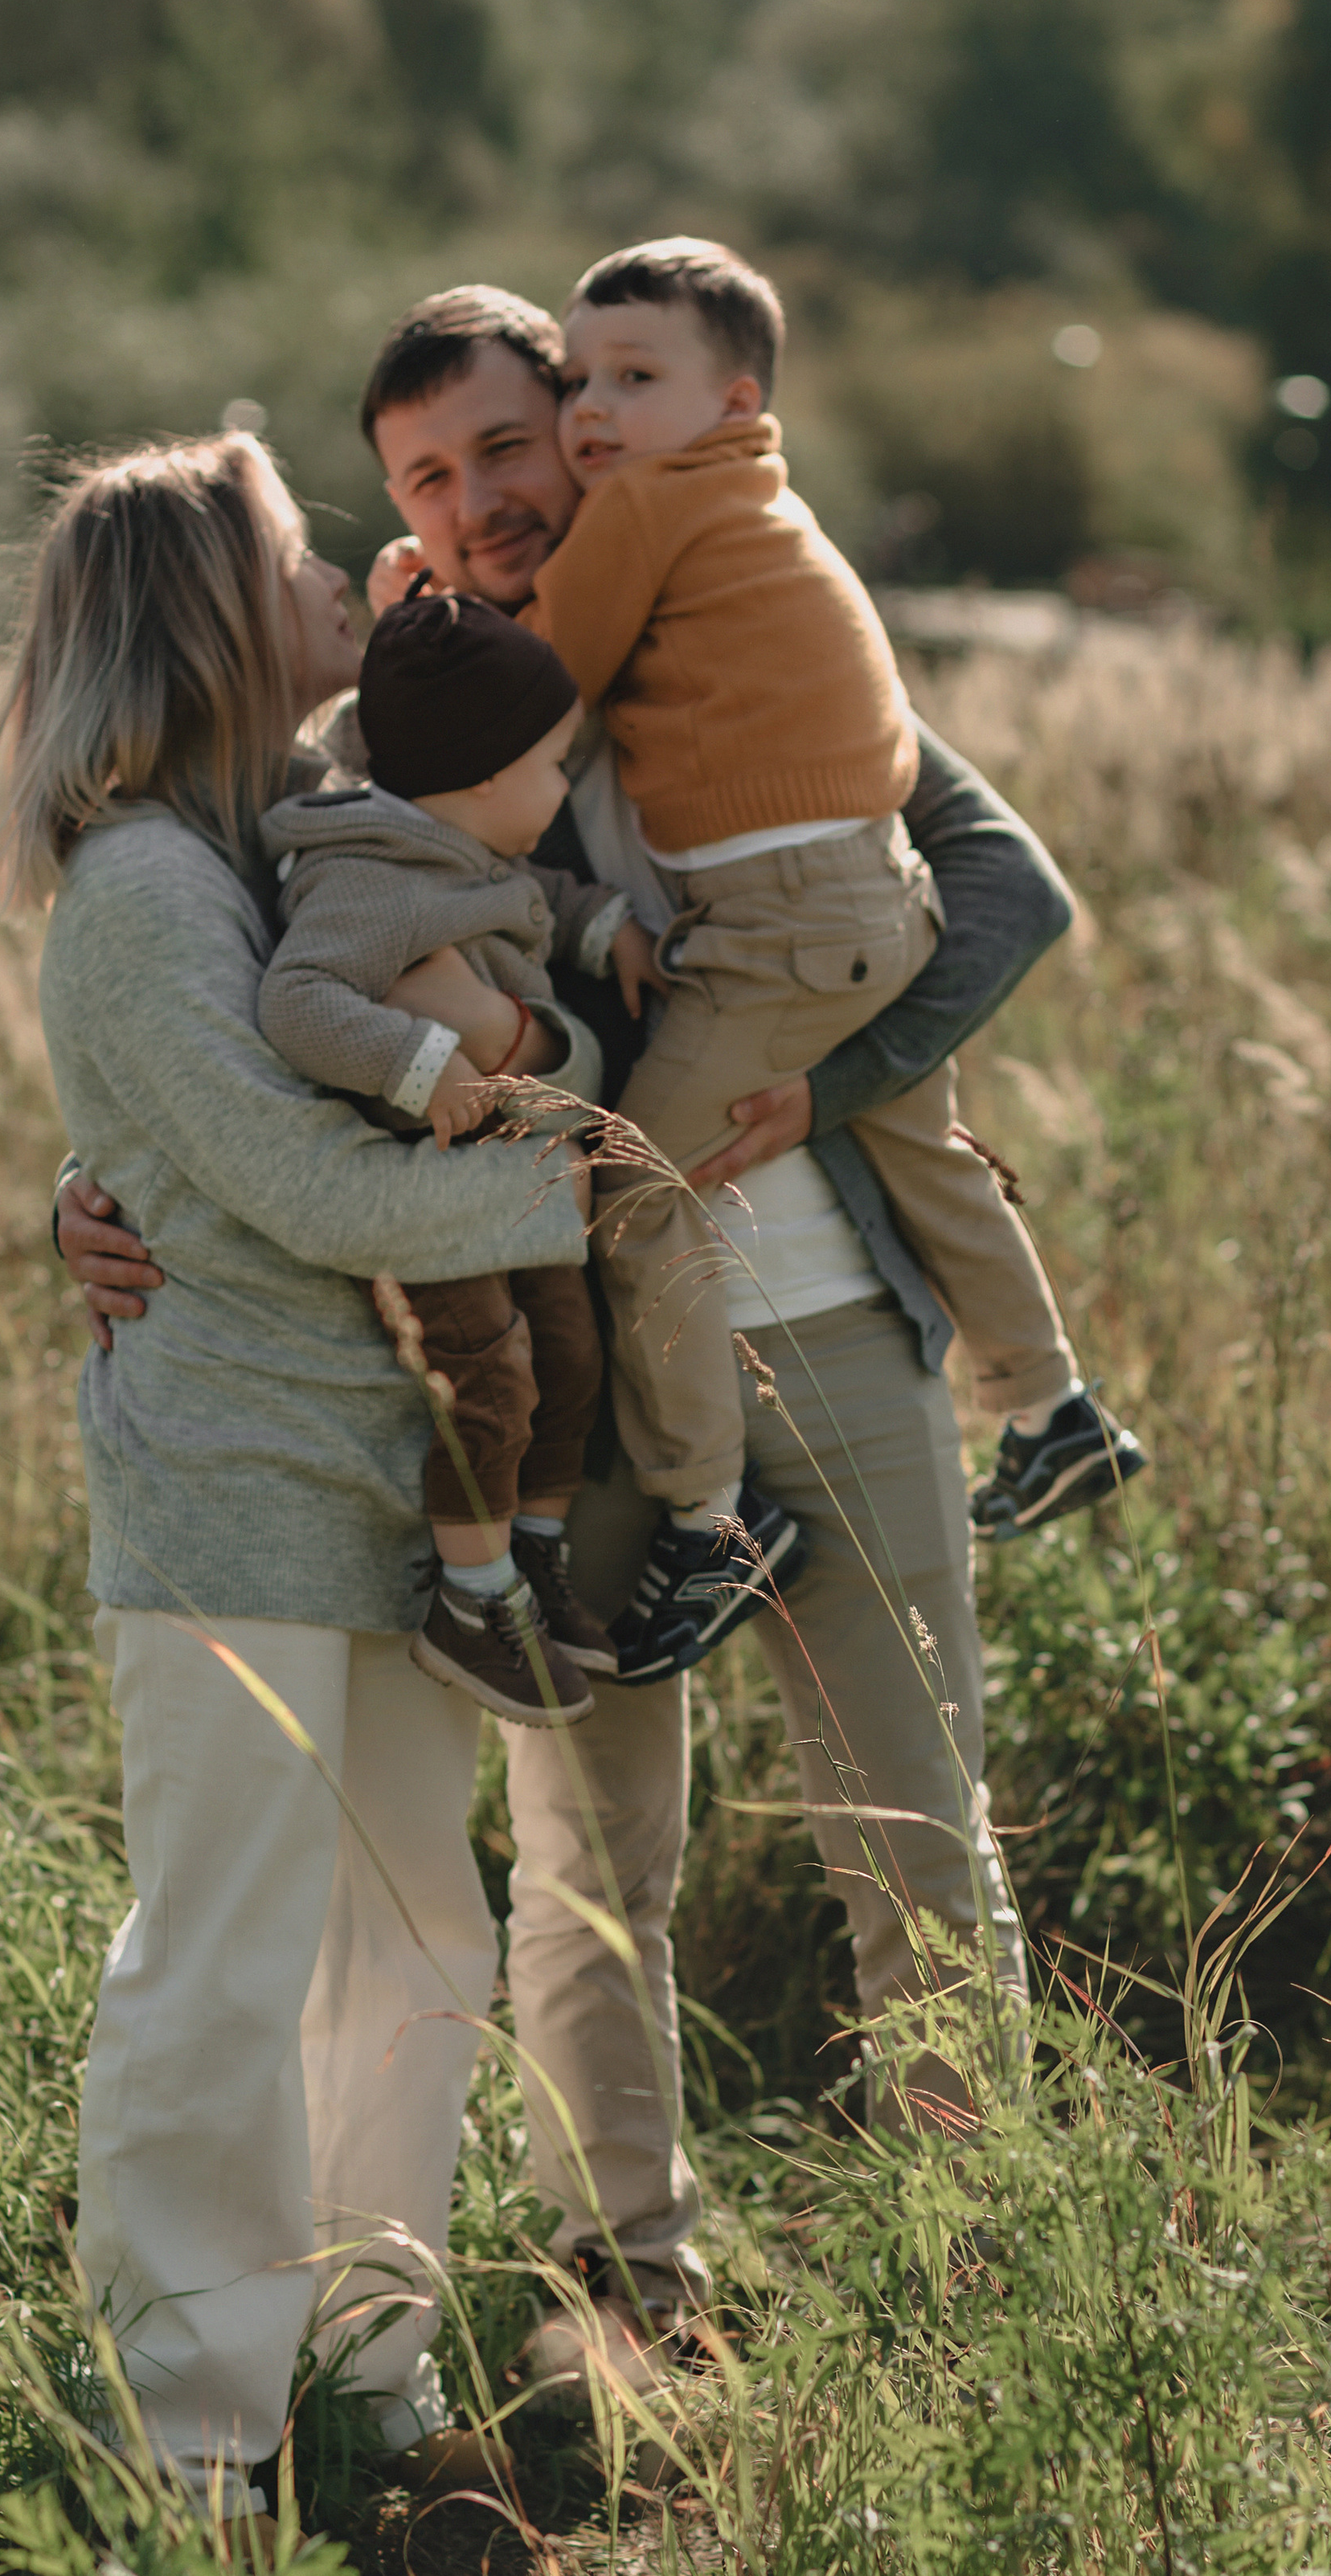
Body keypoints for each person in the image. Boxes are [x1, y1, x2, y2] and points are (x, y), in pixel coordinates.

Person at [55, 284, 1102, 2375]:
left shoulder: (756, 617)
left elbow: (1006, 891)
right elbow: (220, 1033)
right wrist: (92, 1196)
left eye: (512, 448)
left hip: (838, 1325)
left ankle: (985, 2300)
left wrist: (837, 1066)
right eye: (432, 478)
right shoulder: (389, 752)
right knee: (591, 1861)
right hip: (602, 1394)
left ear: (586, 439)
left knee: (918, 1839)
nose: (486, 498)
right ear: (402, 521)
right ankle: (642, 2277)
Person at [0, 429, 589, 2521]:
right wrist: (600, 1201)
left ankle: (369, 2383)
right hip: (228, 1487)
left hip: (378, 1483)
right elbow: (305, 1179)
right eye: (299, 555)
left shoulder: (283, 841)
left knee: (420, 1947)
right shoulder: (141, 884)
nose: (341, 580)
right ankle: (197, 2456)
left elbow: (241, 1136)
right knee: (220, 1969)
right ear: (215, 616)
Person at [523, 239, 1145, 1681]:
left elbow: (547, 678)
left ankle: (712, 1514)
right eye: (577, 383)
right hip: (876, 896)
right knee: (920, 1136)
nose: (592, 413)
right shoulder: (762, 505)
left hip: (781, 924)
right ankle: (1051, 1405)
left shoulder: (648, 512)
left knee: (630, 1184)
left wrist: (432, 619)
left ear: (737, 399)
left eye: (633, 377)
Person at [257, 586, 636, 1727]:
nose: (564, 789)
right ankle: (473, 1603)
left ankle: (531, 1557)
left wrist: (609, 930)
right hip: (432, 1196)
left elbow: (531, 901)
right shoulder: (371, 879)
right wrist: (424, 1065)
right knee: (492, 1386)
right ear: (479, 776)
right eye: (552, 765)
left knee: (571, 1358)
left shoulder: (462, 850)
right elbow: (296, 1002)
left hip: (511, 1189)